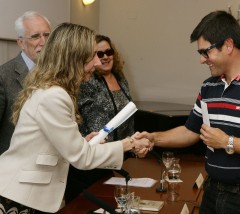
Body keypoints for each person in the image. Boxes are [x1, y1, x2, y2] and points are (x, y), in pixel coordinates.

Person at [136, 11, 240, 214]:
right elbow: (190, 131)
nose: (202, 60)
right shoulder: (209, 87)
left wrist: (228, 142)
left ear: (228, 45)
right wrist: (153, 138)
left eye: (206, 52)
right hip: (212, 192)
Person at [0, 23, 151, 214]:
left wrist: (81, 142)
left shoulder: (54, 90)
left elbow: (55, 144)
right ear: (74, 58)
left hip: (30, 195)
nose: (97, 63)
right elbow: (81, 157)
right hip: (19, 197)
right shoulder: (54, 96)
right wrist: (127, 144)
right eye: (92, 56)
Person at [65, 35, 135, 203]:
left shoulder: (120, 78)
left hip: (118, 157)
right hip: (92, 159)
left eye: (108, 52)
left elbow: (128, 116)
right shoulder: (87, 81)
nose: (105, 57)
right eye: (99, 53)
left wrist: (132, 144)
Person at [0, 11, 51, 154]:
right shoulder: (3, 76)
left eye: (47, 35)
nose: (44, 41)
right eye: (35, 36)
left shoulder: (58, 73)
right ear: (21, 43)